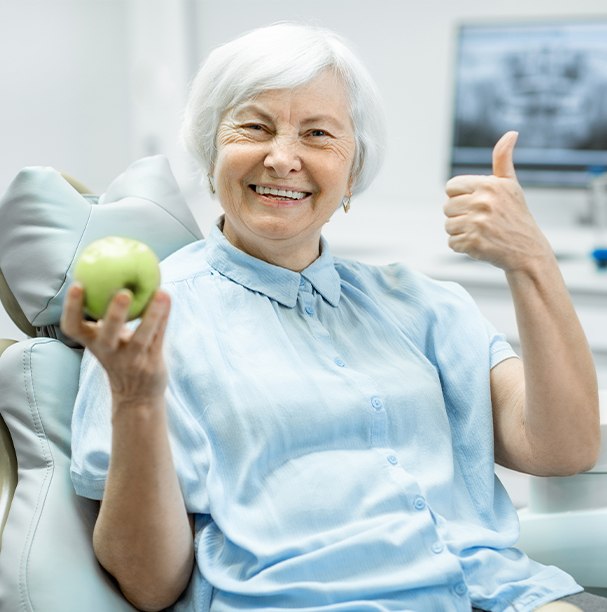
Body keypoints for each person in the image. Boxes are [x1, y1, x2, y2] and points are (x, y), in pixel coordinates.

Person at [61, 22, 604, 612]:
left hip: (500, 594)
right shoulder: (149, 325)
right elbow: (150, 584)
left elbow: (562, 449)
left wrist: (530, 260)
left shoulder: (422, 305)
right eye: (254, 126)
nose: (282, 158)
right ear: (211, 150)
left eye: (318, 134)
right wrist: (136, 398)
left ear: (353, 171)